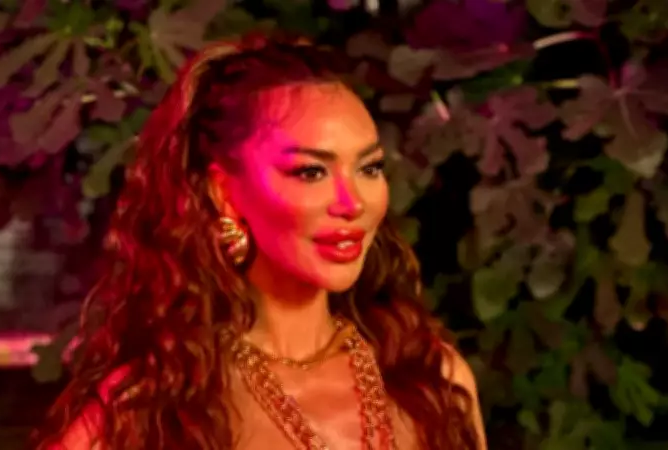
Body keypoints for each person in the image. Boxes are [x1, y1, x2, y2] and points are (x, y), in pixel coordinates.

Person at [35, 33, 486, 450]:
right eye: (311, 171)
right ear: (223, 193)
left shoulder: (435, 382)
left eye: (369, 168)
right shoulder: (147, 411)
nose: (353, 203)